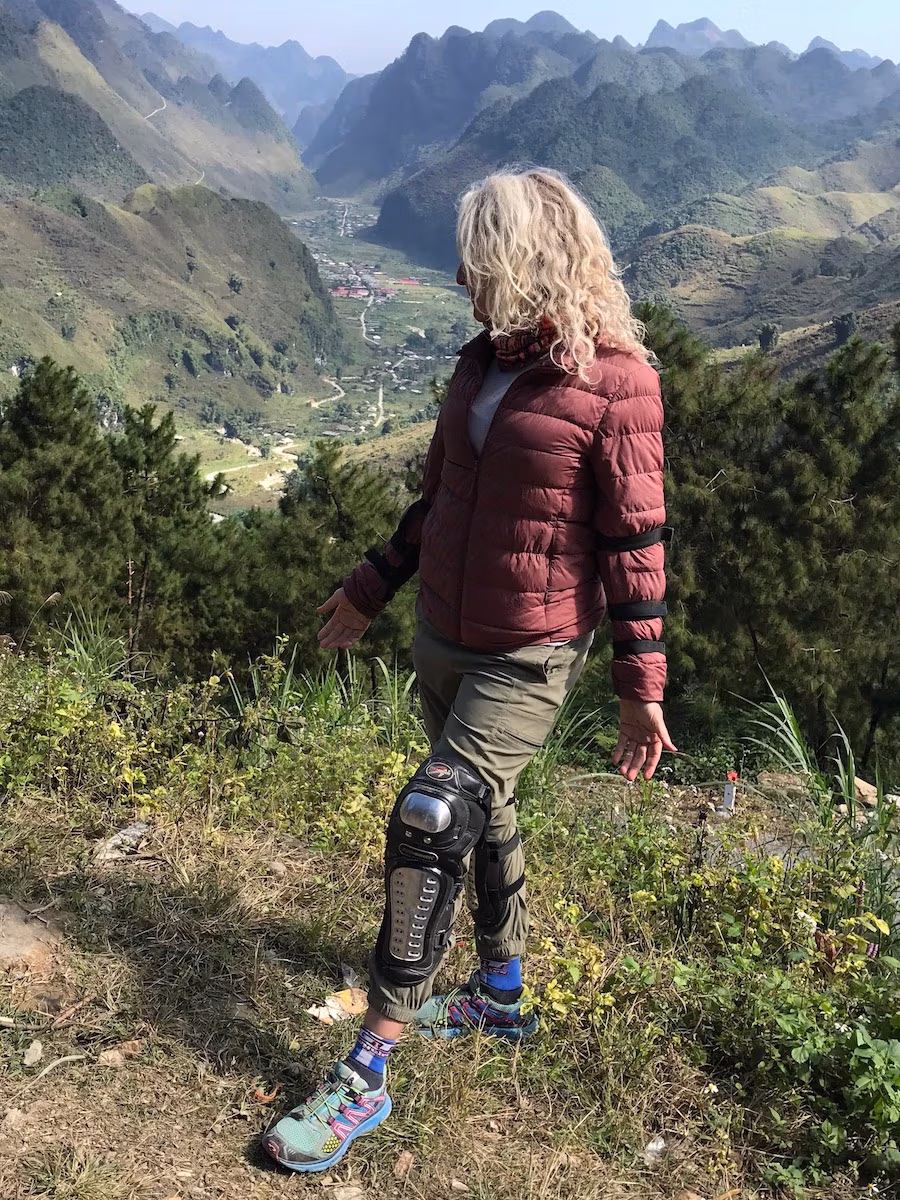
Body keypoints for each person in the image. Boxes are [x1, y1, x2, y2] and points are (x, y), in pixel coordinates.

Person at [263, 168, 675, 1173]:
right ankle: (497, 997)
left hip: (530, 649)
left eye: (478, 255)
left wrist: (640, 691)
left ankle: (368, 1070)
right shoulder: (478, 364)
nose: (460, 274)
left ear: (528, 258)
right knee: (483, 811)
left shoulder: (618, 382)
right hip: (444, 634)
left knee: (434, 812)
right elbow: (439, 500)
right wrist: (369, 588)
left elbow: (635, 545)